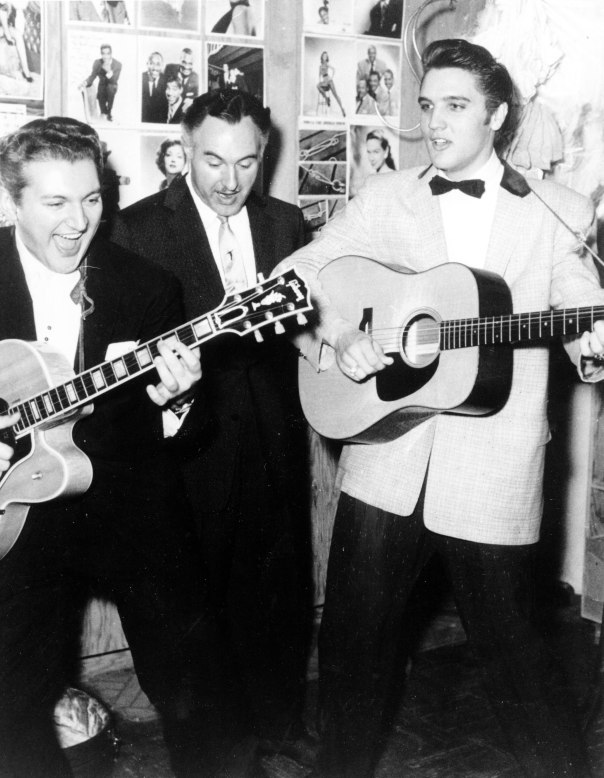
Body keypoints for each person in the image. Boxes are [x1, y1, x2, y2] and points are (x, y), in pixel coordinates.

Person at [276, 38, 604, 778]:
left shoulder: (556, 210)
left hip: (492, 462)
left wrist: (592, 345)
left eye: (455, 107)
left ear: (496, 113)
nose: (435, 124)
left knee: (514, 652)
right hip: (384, 458)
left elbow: (580, 304)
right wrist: (336, 329)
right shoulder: (389, 196)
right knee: (354, 645)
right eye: (428, 107)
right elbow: (300, 270)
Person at [0, 116, 252, 778]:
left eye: (92, 199)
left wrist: (177, 399)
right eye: (55, 203)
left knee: (197, 679)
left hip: (126, 499)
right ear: (9, 199)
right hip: (11, 511)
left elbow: (184, 431)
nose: (79, 222)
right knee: (4, 698)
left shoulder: (146, 287)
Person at [110, 88, 315, 771]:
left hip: (276, 440)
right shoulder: (136, 229)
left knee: (276, 590)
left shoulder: (288, 226)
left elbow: (311, 335)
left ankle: (275, 722)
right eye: (213, 161)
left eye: (248, 163)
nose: (230, 182)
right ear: (183, 149)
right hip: (184, 449)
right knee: (197, 608)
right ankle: (214, 748)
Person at [79, 43, 122, 121]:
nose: (105, 56)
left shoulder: (117, 64)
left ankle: (109, 112)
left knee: (110, 87)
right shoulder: (97, 62)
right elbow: (92, 76)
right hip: (102, 86)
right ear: (101, 54)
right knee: (101, 93)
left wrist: (108, 70)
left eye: (107, 54)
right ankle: (104, 113)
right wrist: (85, 82)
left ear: (111, 54)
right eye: (103, 54)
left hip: (112, 86)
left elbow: (114, 80)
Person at [164, 47, 199, 113]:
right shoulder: (169, 69)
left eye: (190, 63)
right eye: (184, 62)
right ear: (180, 60)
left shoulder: (196, 78)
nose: (186, 67)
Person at [316, 50, 346, 117]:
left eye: (326, 56)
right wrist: (321, 82)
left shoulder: (327, 64)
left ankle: (342, 109)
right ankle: (327, 98)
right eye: (324, 56)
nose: (325, 57)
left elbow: (333, 69)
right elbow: (319, 76)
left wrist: (331, 77)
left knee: (335, 95)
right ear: (322, 57)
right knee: (318, 86)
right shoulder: (320, 66)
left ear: (327, 58)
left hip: (329, 81)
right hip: (324, 82)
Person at [141, 50, 168, 123]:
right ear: (147, 64)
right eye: (152, 63)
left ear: (162, 66)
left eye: (158, 64)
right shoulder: (140, 78)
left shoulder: (167, 82)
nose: (155, 68)